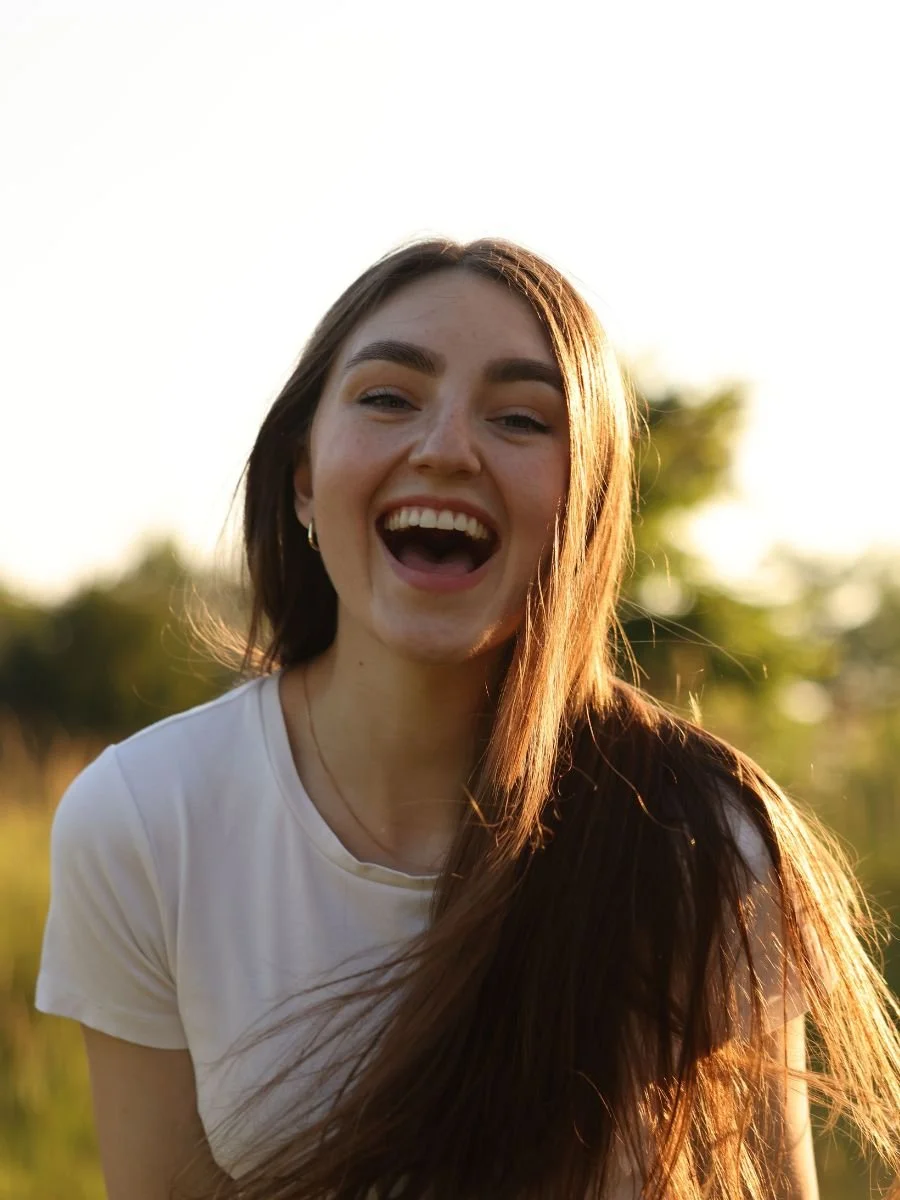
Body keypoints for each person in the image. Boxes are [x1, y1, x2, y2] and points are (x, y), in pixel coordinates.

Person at [35, 238, 900, 1200]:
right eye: (388, 397)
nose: (446, 447)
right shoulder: (146, 820)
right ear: (303, 478)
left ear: (585, 504)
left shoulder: (704, 842)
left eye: (522, 417)